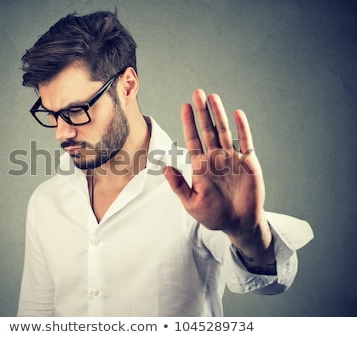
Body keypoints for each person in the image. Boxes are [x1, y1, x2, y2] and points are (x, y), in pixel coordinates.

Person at [17, 10, 313, 317]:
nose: (61, 133)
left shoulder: (200, 187)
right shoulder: (46, 202)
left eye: (77, 110)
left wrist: (247, 234)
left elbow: (269, 283)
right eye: (51, 114)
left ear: (127, 85)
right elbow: (35, 318)